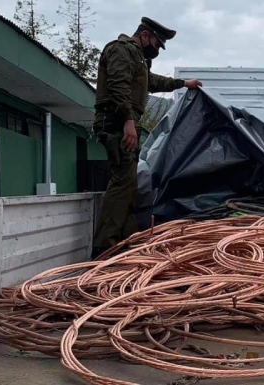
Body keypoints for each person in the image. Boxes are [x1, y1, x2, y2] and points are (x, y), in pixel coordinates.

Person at [90, 17, 202, 259]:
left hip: (124, 123)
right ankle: (104, 248)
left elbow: (151, 82)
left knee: (129, 183)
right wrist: (128, 122)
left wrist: (183, 83)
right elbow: (118, 86)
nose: (157, 49)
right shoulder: (121, 49)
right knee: (122, 183)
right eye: (156, 43)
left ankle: (125, 242)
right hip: (116, 123)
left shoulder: (138, 58)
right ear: (144, 35)